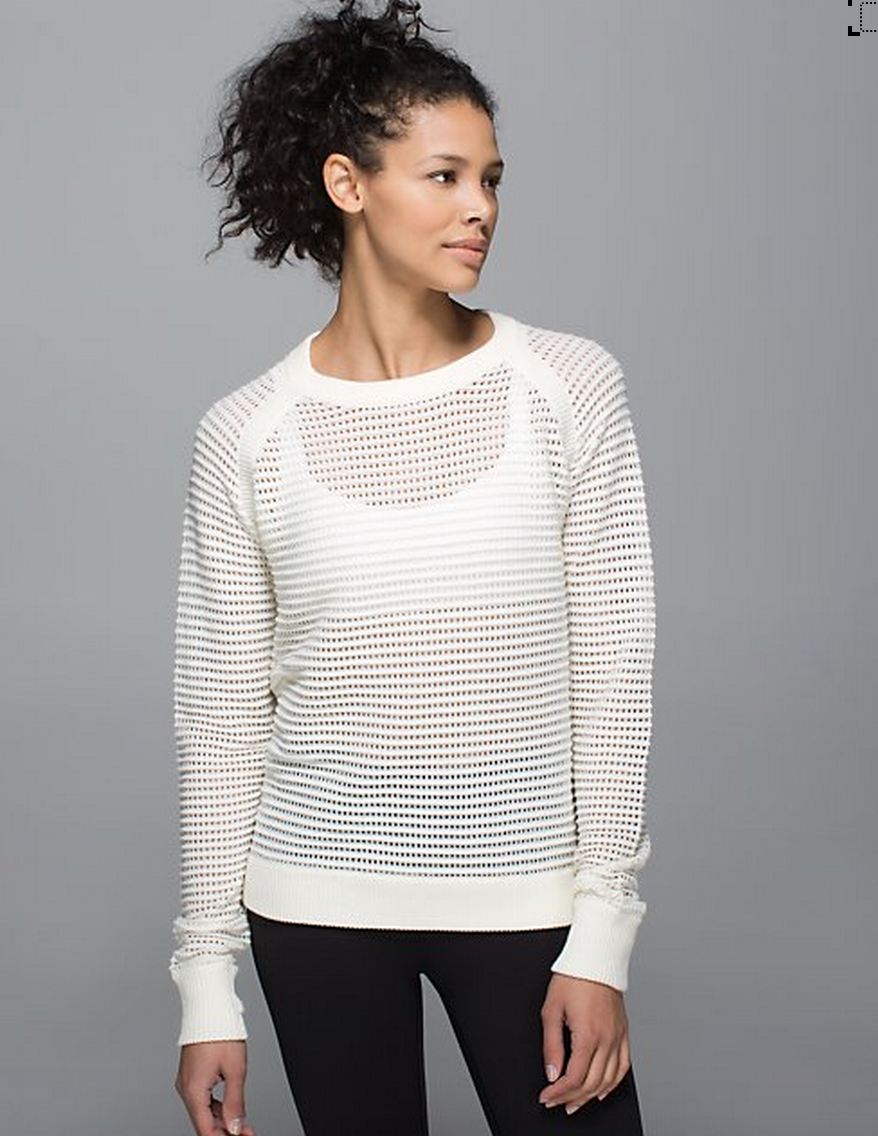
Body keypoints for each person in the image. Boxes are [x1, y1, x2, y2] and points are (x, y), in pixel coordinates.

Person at [169, 2, 657, 1134]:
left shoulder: (566, 386)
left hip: (528, 899)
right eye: (443, 176)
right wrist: (206, 986)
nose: (479, 206)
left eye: (490, 178)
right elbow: (222, 718)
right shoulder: (245, 431)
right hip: (313, 904)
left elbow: (612, 677)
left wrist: (601, 937)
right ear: (347, 184)